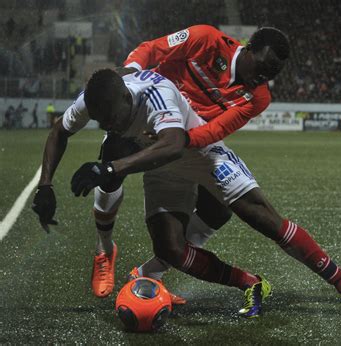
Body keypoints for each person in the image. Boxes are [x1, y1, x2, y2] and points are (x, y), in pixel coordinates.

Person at [32, 68, 341, 320]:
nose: (109, 125)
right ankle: (252, 283)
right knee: (169, 248)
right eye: (102, 121)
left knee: (263, 219)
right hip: (157, 166)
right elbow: (58, 132)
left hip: (202, 156)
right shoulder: (92, 102)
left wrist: (112, 168)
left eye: (113, 117)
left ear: (127, 96)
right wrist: (45, 185)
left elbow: (172, 144)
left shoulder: (155, 92)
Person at [80, 25, 290, 299]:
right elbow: (151, 49)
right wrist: (131, 71)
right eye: (263, 66)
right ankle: (104, 250)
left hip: (182, 139)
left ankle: (151, 273)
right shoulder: (205, 39)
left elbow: (216, 130)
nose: (264, 76)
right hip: (145, 117)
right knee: (111, 167)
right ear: (247, 49)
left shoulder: (258, 95)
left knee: (219, 210)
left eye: (272, 72)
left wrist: (177, 138)